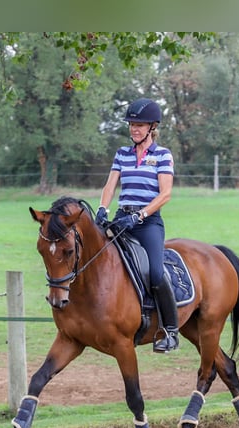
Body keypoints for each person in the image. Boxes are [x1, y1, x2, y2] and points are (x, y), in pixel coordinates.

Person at [95, 97, 179, 353]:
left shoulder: (162, 155)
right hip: (122, 218)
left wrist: (140, 215)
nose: (134, 129)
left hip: (148, 223)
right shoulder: (122, 153)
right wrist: (102, 208)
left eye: (140, 125)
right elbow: (111, 184)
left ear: (152, 127)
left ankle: (171, 331)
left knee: (155, 272)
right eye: (132, 124)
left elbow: (165, 194)